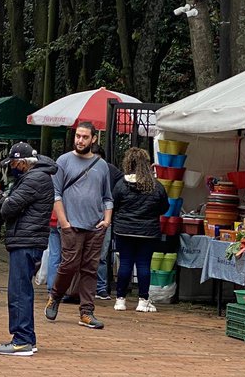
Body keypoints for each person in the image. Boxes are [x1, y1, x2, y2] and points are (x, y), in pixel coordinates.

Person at [46, 121, 113, 331]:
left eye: (85, 137)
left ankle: (86, 312)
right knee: (69, 264)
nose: (80, 140)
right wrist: (64, 222)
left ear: (94, 139)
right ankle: (55, 296)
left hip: (95, 226)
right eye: (77, 136)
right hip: (71, 225)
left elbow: (107, 197)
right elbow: (55, 193)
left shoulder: (101, 165)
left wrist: (107, 219)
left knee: (90, 269)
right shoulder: (64, 161)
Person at [0, 143, 57, 356]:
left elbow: (8, 208)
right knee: (22, 290)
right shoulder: (37, 177)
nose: (11, 167)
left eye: (12, 163)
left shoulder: (33, 179)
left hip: (26, 240)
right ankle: (26, 337)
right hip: (28, 239)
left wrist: (5, 199)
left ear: (21, 162)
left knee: (19, 291)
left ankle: (21, 340)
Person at [111, 148, 168, 312]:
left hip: (124, 230)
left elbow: (114, 205)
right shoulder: (156, 186)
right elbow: (164, 207)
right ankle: (143, 300)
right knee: (144, 264)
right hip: (148, 231)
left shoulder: (121, 184)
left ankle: (120, 300)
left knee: (125, 263)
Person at [95, 149, 123, 301]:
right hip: (91, 216)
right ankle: (92, 287)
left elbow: (120, 188)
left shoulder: (111, 170)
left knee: (101, 255)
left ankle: (100, 287)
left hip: (105, 216)